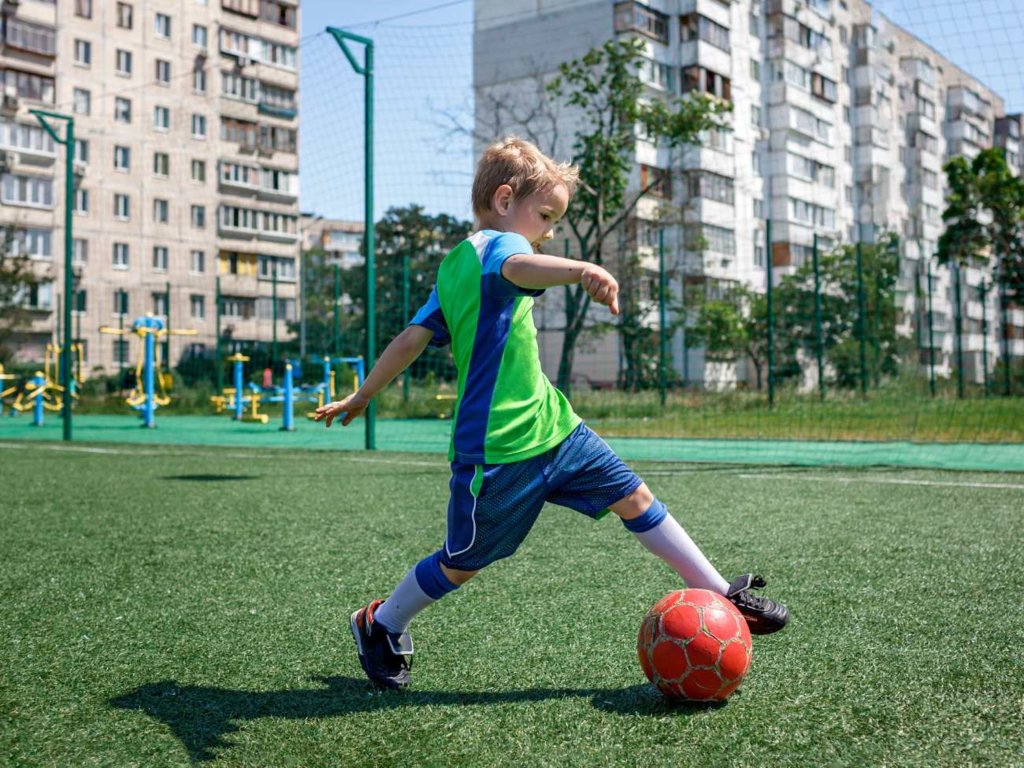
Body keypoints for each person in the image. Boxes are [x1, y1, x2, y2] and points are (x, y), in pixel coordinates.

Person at [314, 137, 789, 690]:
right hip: (494, 450)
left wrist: (364, 394)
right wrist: (580, 268)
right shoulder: (492, 250)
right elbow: (516, 266)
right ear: (504, 197)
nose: (548, 231)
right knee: (463, 561)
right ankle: (381, 622)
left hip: (556, 428)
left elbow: (410, 339)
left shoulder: (456, 269)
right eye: (545, 216)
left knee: (633, 495)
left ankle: (721, 592)